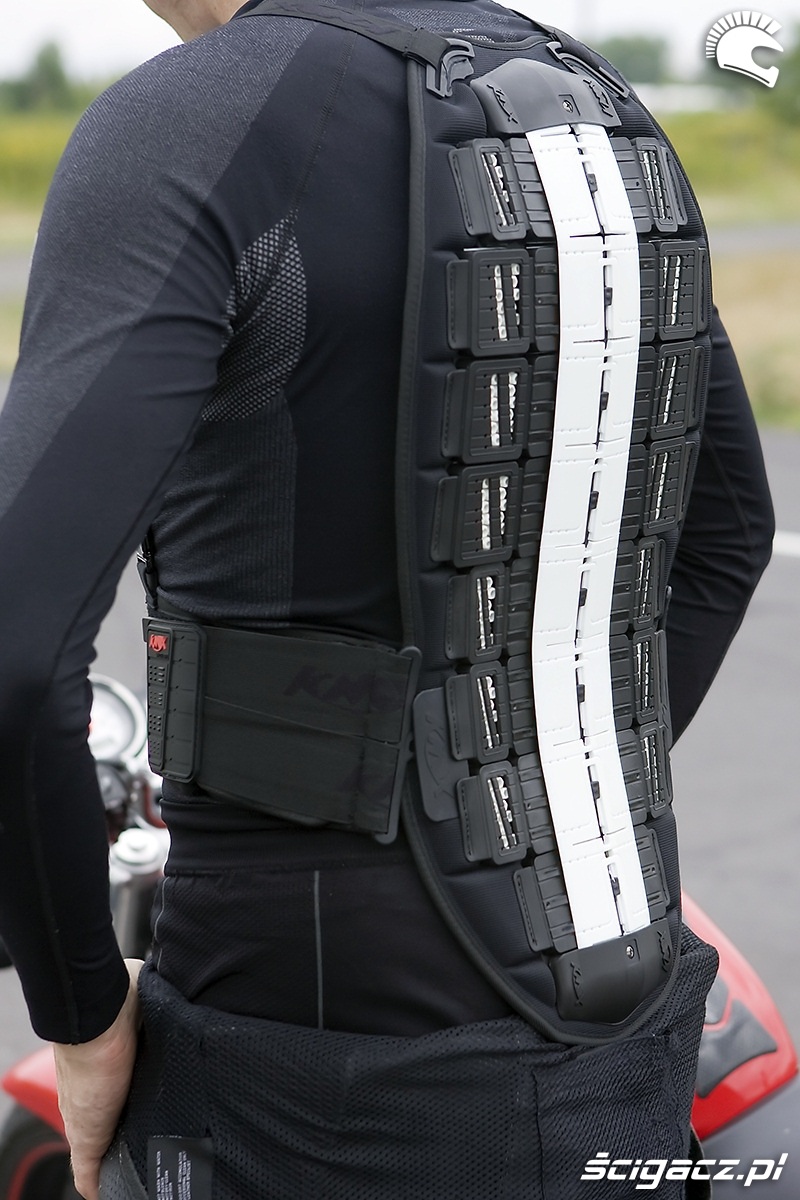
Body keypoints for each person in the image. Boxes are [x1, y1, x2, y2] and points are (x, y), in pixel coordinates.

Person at [0, 0, 775, 1197]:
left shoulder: (192, 119)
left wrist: (83, 1020)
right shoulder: (590, 100)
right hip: (621, 1033)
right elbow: (726, 534)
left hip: (305, 1080)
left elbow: (16, 656)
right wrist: (527, 806)